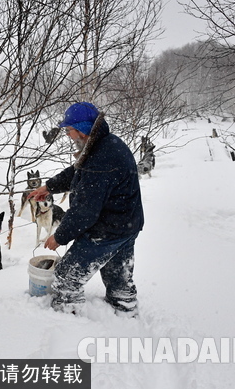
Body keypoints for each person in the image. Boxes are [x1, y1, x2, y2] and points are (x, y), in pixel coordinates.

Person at [27, 102, 144, 317]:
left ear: (82, 130)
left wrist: (59, 237)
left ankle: (65, 318)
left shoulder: (101, 159)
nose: (68, 135)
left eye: (69, 130)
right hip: (126, 225)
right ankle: (125, 310)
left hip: (107, 230)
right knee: (117, 274)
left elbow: (85, 211)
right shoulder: (105, 145)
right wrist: (49, 187)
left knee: (66, 276)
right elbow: (77, 172)